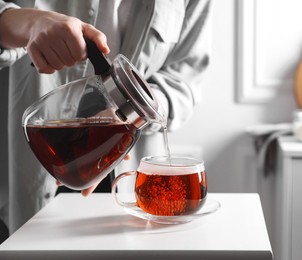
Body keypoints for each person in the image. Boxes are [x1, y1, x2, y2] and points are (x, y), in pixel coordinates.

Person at [0, 0, 211, 238]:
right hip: (17, 176)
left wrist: (133, 108)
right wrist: (29, 22)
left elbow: (184, 79)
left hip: (118, 176)